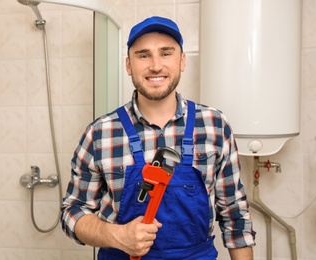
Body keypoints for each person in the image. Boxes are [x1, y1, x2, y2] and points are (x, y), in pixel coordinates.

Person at [61, 16, 256, 260]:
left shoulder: (215, 125)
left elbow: (235, 216)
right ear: (128, 65)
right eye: (143, 55)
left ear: (182, 61)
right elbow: (72, 211)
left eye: (166, 53)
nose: (155, 66)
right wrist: (116, 235)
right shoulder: (100, 133)